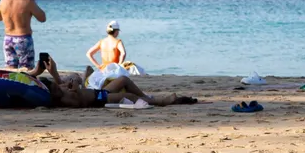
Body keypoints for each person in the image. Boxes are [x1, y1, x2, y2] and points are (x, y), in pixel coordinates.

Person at [32, 56, 197, 109]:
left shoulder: (59, 91)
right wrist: (75, 89)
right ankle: (160, 101)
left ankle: (146, 97)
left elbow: (62, 85)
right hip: (100, 99)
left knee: (124, 79)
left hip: (98, 92)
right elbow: (79, 101)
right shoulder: (62, 100)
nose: (58, 87)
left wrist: (54, 73)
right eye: (55, 88)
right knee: (130, 96)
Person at [0, 0, 46, 71]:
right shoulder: (28, 2)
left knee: (10, 70)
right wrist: (33, 1)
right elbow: (42, 18)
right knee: (27, 70)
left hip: (8, 39)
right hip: (23, 39)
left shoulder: (3, 1)